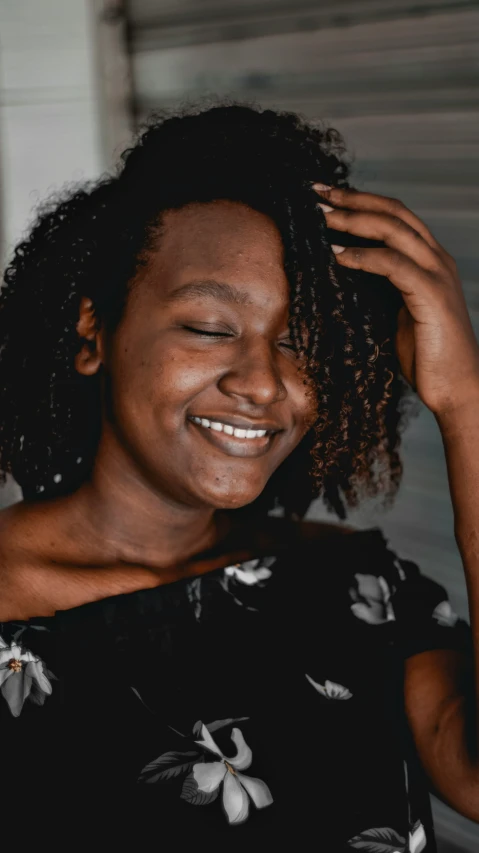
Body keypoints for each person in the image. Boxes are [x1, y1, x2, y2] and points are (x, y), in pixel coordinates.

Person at [0, 101, 478, 850]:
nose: (263, 382)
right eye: (209, 328)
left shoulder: (360, 586)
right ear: (93, 332)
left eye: (301, 343)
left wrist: (464, 405)